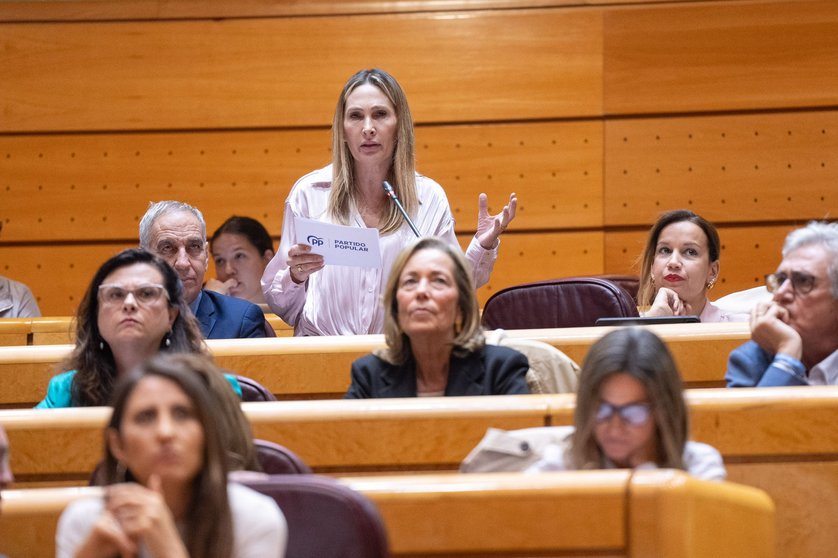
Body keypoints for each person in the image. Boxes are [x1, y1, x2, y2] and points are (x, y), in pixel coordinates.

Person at [262, 68, 517, 336]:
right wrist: (295, 276)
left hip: (401, 359)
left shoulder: (428, 198)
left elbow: (452, 285)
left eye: (380, 115)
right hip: (321, 357)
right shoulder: (309, 194)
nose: (368, 128)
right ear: (343, 130)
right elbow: (280, 304)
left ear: (399, 126)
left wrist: (483, 246)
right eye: (356, 116)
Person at [55, 353, 287, 558]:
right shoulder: (84, 521)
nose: (165, 432)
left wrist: (169, 550)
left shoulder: (255, 518)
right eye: (146, 417)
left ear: (207, 434)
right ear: (118, 445)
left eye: (182, 414)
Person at [35, 249, 241, 408]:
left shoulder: (213, 388)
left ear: (171, 315)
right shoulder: (66, 391)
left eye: (146, 294)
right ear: (97, 315)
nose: (129, 303)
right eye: (115, 295)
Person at [524, 328, 725, 479]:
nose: (615, 426)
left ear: (663, 410)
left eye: (633, 412)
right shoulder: (560, 465)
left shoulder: (699, 466)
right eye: (602, 409)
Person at [345, 237, 529, 398]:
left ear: (461, 305)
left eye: (438, 280)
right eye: (410, 281)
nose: (422, 291)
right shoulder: (369, 376)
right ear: (395, 305)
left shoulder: (500, 370)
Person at [726, 221, 838, 387]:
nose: (780, 293)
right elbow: (755, 414)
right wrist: (786, 358)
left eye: (803, 281)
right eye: (780, 280)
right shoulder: (750, 361)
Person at [140, 201, 267, 339]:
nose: (183, 263)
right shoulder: (124, 319)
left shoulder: (241, 322)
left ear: (206, 256)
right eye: (167, 248)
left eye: (194, 246)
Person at [638, 209, 747, 322]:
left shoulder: (743, 329)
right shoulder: (630, 327)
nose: (673, 262)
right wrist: (651, 322)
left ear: (713, 271)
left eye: (690, 252)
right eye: (665, 250)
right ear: (652, 266)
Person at [208, 216, 275, 306]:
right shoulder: (201, 309)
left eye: (239, 256)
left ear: (267, 259)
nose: (228, 270)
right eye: (219, 261)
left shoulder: (295, 312)